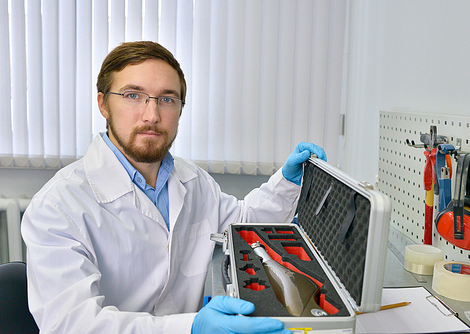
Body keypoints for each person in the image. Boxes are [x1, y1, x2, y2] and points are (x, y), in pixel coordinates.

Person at [21, 41, 327, 334]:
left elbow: (243, 225)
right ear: (103, 103)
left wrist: (288, 183)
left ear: (180, 109)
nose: (152, 115)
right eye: (133, 95)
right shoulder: (57, 206)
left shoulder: (191, 181)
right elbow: (72, 325)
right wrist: (189, 328)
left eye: (167, 99)